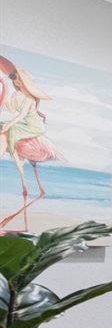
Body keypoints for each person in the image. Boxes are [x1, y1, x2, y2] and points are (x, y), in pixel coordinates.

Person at [1, 66, 64, 230]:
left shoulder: (30, 100)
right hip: (21, 125)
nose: (16, 81)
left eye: (19, 79)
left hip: (33, 127)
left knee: (9, 130)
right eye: (14, 78)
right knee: (5, 128)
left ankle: (16, 223)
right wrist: (4, 93)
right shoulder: (16, 95)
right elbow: (13, 110)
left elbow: (20, 116)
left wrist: (8, 125)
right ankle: (24, 227)